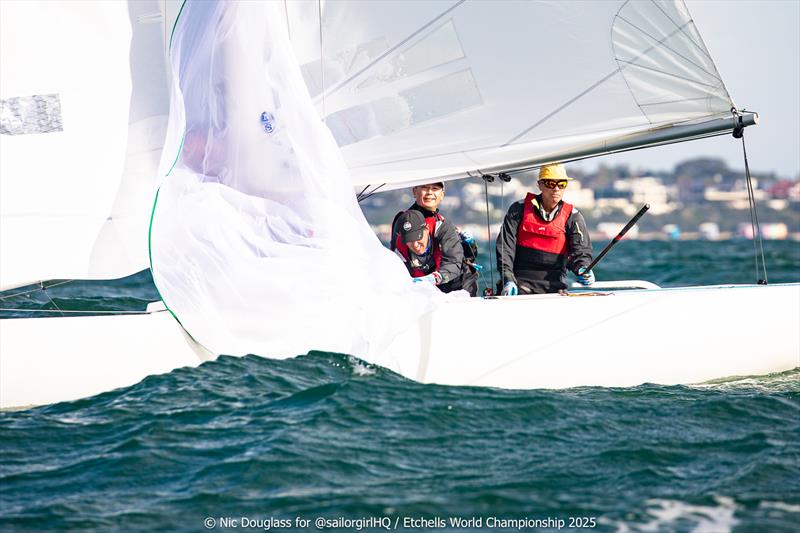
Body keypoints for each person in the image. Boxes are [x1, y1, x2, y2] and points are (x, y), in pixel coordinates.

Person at [495, 164, 594, 295]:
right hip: (519, 285)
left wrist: (583, 268)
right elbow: (505, 248)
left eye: (562, 184)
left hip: (555, 288)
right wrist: (507, 279)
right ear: (540, 185)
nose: (556, 189)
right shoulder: (518, 210)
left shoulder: (573, 216)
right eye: (551, 184)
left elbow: (580, 252)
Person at [391, 182, 478, 295]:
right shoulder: (403, 222)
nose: (430, 192)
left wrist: (432, 279)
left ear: (442, 194)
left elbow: (453, 262)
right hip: (417, 285)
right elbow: (394, 257)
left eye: (435, 188)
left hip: (453, 284)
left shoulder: (444, 226)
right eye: (425, 188)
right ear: (414, 191)